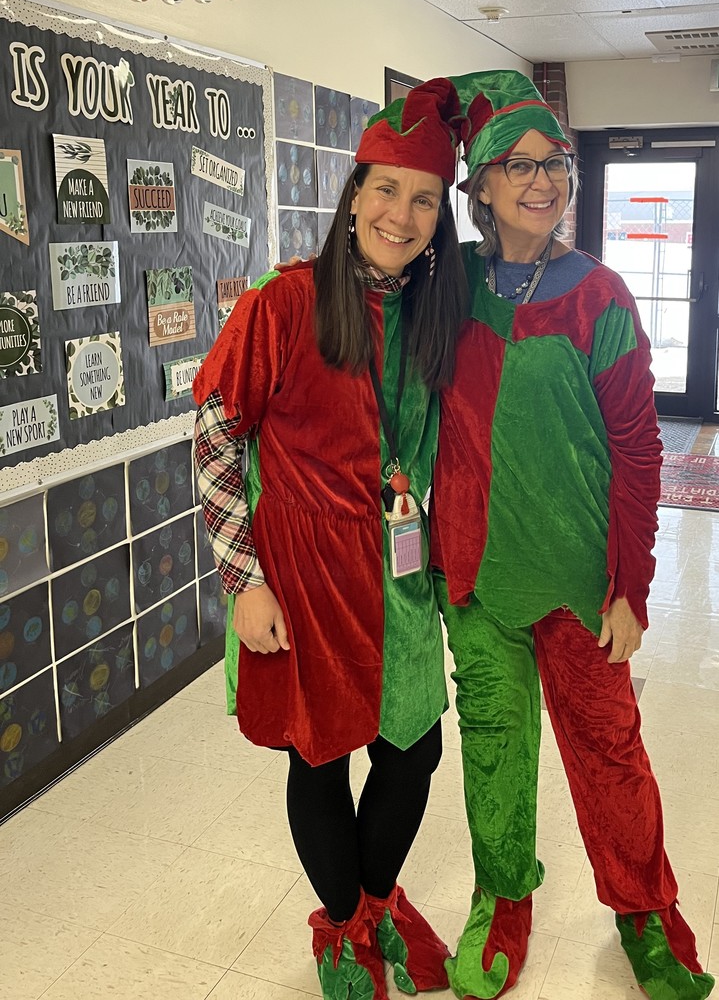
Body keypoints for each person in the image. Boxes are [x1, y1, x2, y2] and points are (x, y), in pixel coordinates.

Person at [429, 71, 716, 1000]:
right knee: (494, 748)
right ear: (480, 186)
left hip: (580, 583)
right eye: (519, 165)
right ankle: (502, 898)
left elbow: (638, 450)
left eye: (556, 164)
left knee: (609, 752)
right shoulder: (449, 283)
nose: (544, 180)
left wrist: (630, 584)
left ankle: (643, 911)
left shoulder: (601, 295)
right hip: (473, 577)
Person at [192, 78, 468, 1000]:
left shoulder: (436, 314)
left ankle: (376, 904)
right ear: (352, 196)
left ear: (440, 216)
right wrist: (243, 581)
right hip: (299, 576)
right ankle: (343, 932)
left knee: (412, 746)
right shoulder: (281, 303)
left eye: (423, 197)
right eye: (384, 190)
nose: (401, 213)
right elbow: (215, 437)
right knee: (318, 754)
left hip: (396, 575)